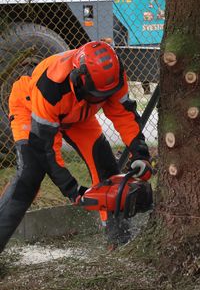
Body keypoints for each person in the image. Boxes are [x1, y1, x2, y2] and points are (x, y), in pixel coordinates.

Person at [0, 41, 151, 252]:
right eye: (97, 95)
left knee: (107, 169)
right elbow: (44, 149)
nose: (103, 99)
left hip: (79, 114)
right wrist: (72, 190)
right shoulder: (50, 85)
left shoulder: (113, 75)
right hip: (31, 107)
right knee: (30, 176)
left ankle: (118, 242)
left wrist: (140, 152)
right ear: (79, 79)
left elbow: (124, 113)